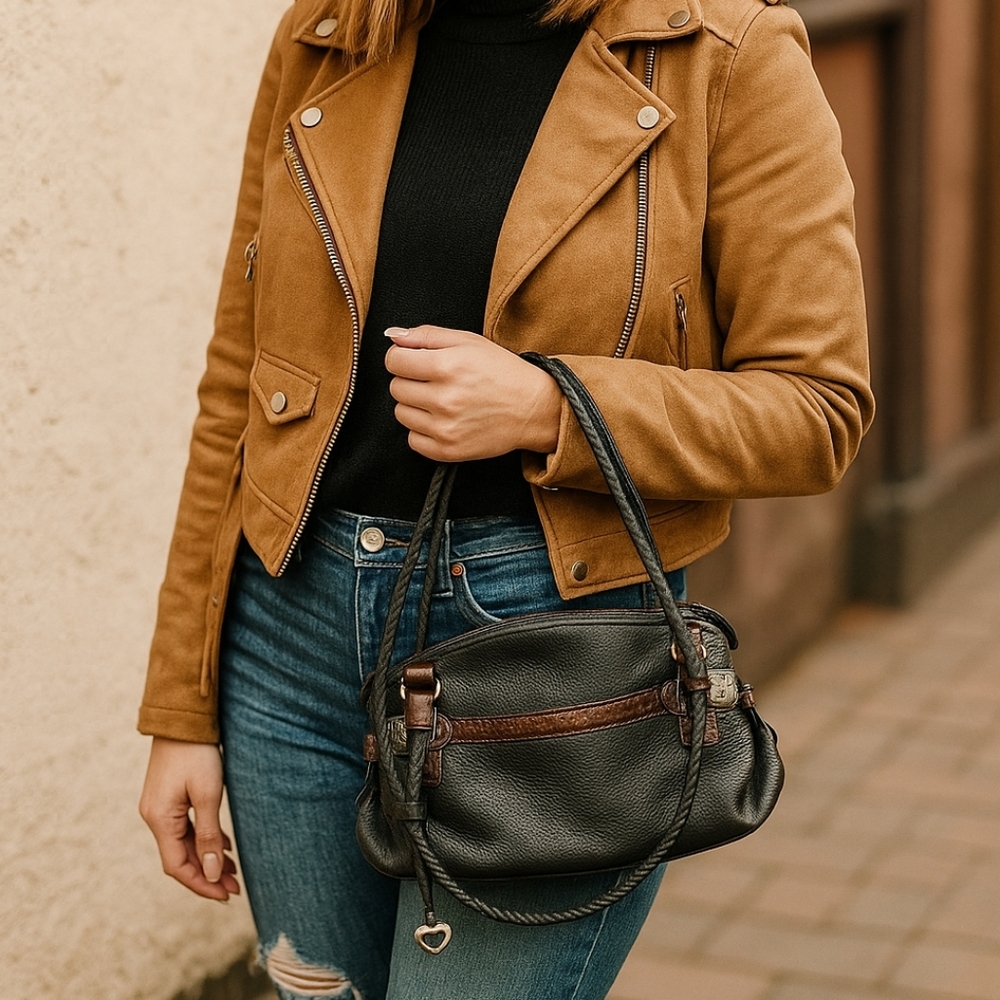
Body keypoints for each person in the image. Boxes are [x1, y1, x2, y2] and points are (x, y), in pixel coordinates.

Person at [138, 0, 874, 995]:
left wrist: (550, 404)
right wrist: (181, 708)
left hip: (549, 664)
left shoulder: (722, 52)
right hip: (289, 643)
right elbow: (240, 380)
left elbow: (818, 403)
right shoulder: (330, 30)